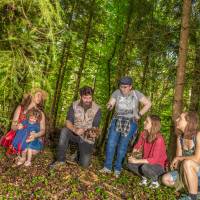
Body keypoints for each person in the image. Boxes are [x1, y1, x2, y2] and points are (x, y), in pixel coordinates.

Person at [100, 76, 151, 177]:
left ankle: (117, 169)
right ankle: (107, 167)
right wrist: (109, 105)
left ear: (130, 86)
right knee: (111, 143)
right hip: (117, 120)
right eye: (121, 86)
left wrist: (139, 114)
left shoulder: (136, 94)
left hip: (131, 122)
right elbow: (111, 103)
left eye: (125, 87)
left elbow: (148, 103)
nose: (123, 89)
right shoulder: (116, 92)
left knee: (122, 146)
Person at [51, 86, 101, 168]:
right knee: (64, 131)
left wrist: (93, 134)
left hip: (87, 137)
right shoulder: (74, 105)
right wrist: (75, 129)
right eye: (85, 98)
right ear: (80, 96)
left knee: (84, 165)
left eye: (90, 97)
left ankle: (78, 155)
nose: (88, 100)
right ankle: (60, 160)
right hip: (75, 133)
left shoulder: (97, 109)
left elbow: (95, 126)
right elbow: (68, 122)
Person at [162, 112, 200, 200]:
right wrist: (174, 164)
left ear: (188, 122)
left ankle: (192, 197)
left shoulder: (198, 135)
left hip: (197, 170)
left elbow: (197, 159)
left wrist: (179, 158)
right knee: (165, 179)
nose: (176, 120)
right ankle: (195, 191)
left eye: (180, 118)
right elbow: (178, 160)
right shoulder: (180, 138)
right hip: (186, 171)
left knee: (188, 163)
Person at [0, 88, 47, 159]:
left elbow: (43, 130)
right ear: (32, 95)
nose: (40, 98)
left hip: (32, 136)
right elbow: (12, 126)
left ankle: (23, 153)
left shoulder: (40, 113)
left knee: (32, 151)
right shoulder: (20, 108)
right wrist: (17, 127)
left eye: (41, 97)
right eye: (38, 95)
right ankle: (18, 151)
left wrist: (36, 135)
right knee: (18, 145)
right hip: (19, 134)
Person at [127, 115, 168, 188]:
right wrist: (132, 156)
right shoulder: (144, 133)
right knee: (129, 163)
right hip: (147, 162)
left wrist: (136, 161)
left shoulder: (159, 139)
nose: (144, 122)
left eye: (147, 121)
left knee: (145, 167)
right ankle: (145, 178)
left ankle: (155, 180)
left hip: (158, 165)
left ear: (153, 124)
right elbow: (137, 146)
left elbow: (154, 160)